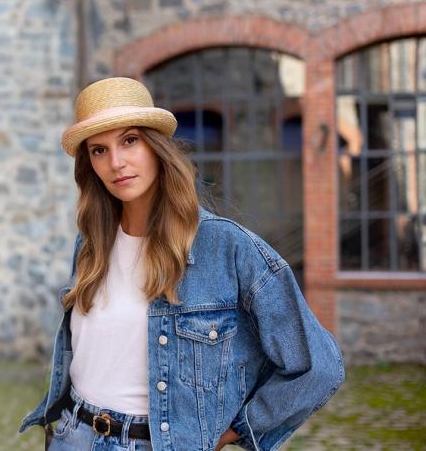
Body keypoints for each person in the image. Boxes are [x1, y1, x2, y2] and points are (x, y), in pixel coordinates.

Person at [18, 77, 345, 451]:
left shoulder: (225, 247)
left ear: (157, 146)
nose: (116, 163)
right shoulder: (91, 243)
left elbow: (319, 367)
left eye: (129, 141)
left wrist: (232, 432)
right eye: (99, 150)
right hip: (72, 435)